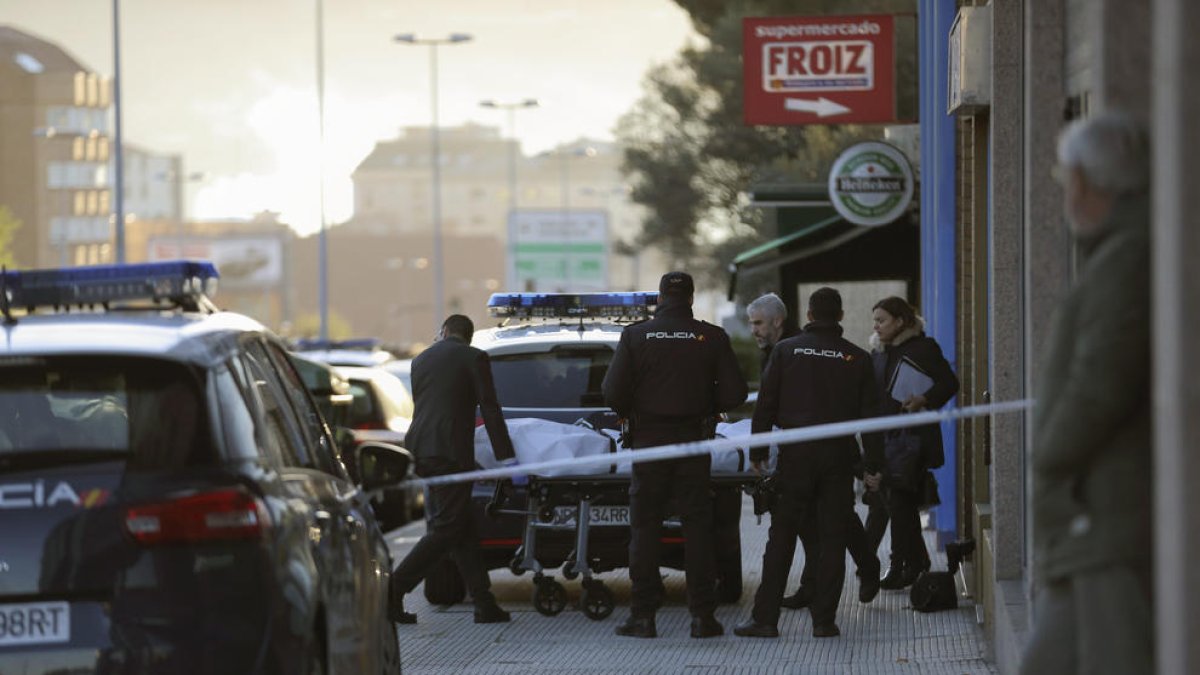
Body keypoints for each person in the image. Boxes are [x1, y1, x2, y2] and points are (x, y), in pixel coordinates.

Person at [1019, 112, 1153, 674]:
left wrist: (1049, 454)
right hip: (1092, 520)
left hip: (1102, 516)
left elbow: (1101, 380)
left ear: (1083, 181)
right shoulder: (1123, 250)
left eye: (1063, 177)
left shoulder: (1127, 257)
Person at [602, 271, 748, 639]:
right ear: (691, 298)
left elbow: (611, 392)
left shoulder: (635, 335)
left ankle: (643, 616)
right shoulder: (711, 337)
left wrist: (634, 408)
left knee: (645, 530)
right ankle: (702, 617)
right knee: (697, 529)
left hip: (649, 445)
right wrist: (705, 407)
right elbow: (734, 395)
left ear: (660, 299)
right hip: (692, 445)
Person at [735, 287, 883, 639]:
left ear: (810, 316)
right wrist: (872, 466)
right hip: (836, 459)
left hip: (796, 455)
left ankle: (765, 619)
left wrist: (757, 452)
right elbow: (871, 419)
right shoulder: (858, 358)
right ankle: (824, 621)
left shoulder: (786, 351)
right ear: (841, 317)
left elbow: (765, 405)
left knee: (781, 539)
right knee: (832, 540)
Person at [389, 314, 516, 625]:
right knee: (447, 528)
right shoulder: (474, 357)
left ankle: (484, 603)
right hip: (449, 452)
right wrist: (506, 456)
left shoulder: (421, 359)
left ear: (444, 331)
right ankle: (392, 590)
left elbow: (430, 406)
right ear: (467, 336)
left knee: (461, 526)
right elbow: (489, 405)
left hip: (421, 449)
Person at [869, 296, 959, 590]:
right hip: (885, 439)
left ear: (901, 321)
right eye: (875, 321)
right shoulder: (878, 352)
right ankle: (916, 561)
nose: (877, 326)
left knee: (898, 502)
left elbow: (949, 383)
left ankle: (900, 566)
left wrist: (925, 399)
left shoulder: (924, 348)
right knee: (897, 505)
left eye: (882, 320)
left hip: (913, 441)